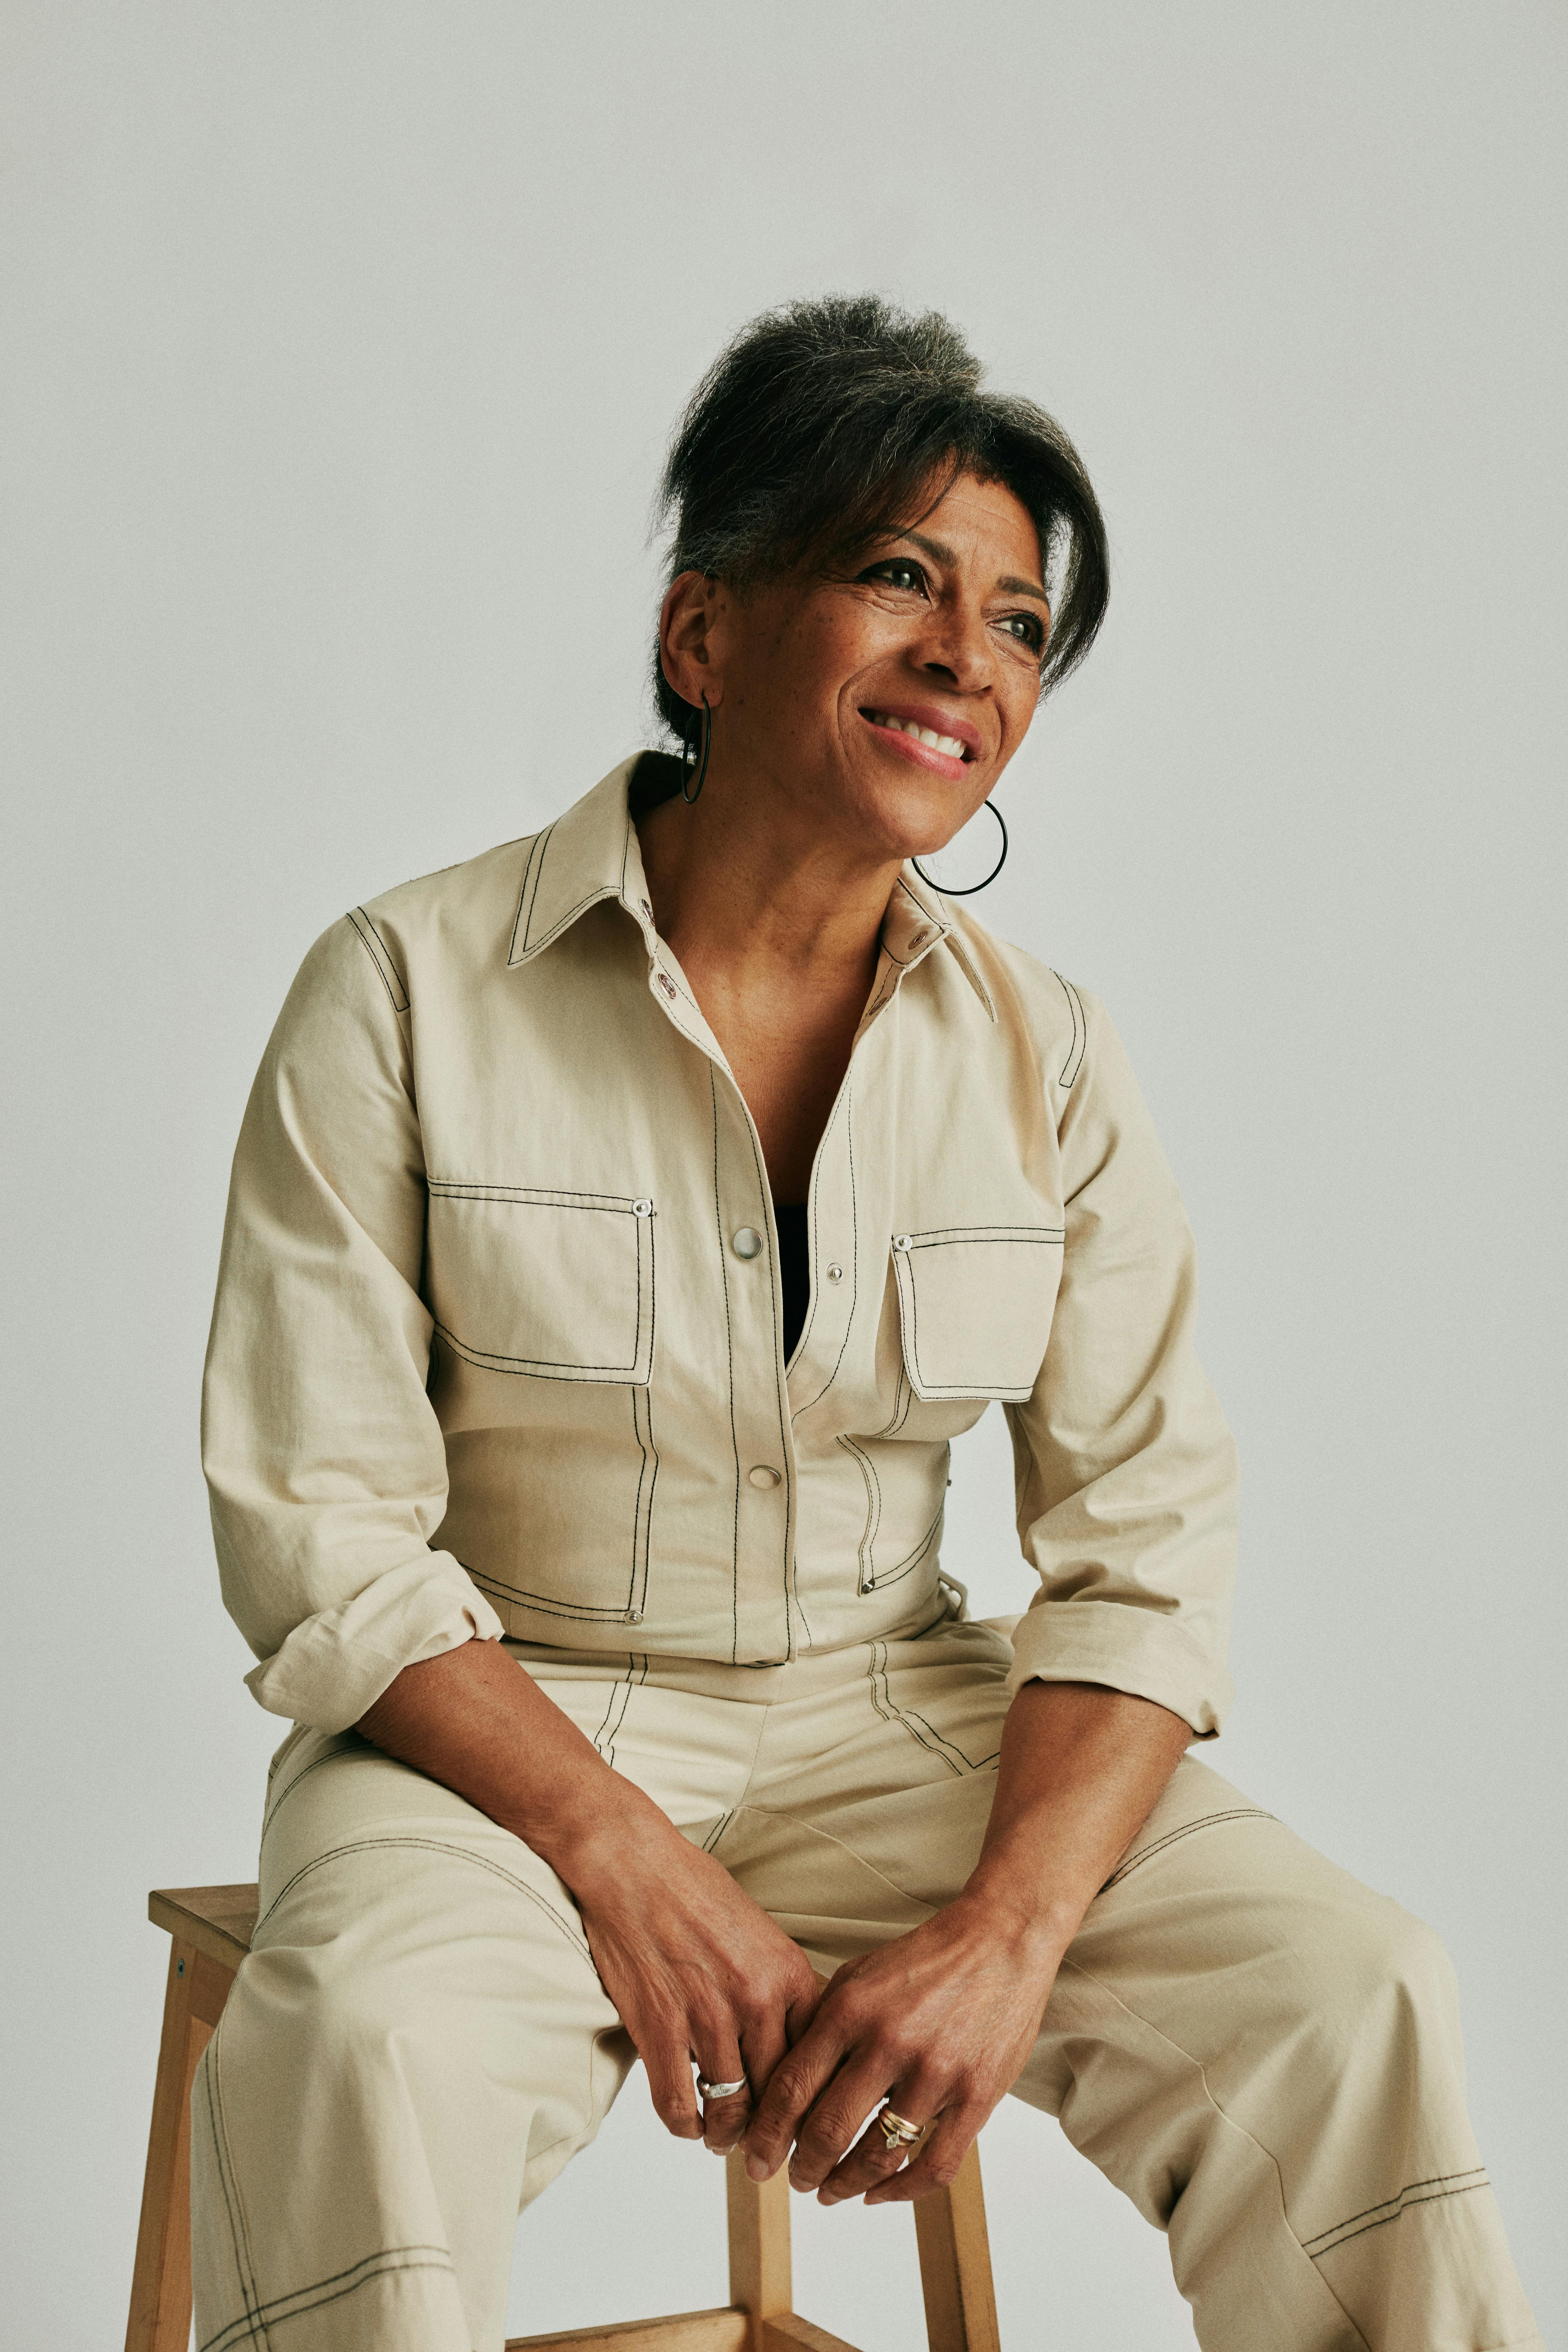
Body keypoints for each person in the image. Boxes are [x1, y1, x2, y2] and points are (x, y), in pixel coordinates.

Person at [194, 296, 1540, 2352]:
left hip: (896, 1723)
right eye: (898, 575)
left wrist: (1009, 1930)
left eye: (1017, 622)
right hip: (495, 1742)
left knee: (1356, 1993)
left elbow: (1142, 1560)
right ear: (704, 634)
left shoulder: (1052, 1062)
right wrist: (622, 1857)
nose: (965, 659)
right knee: (367, 2045)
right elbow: (325, 1539)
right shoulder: (398, 989)